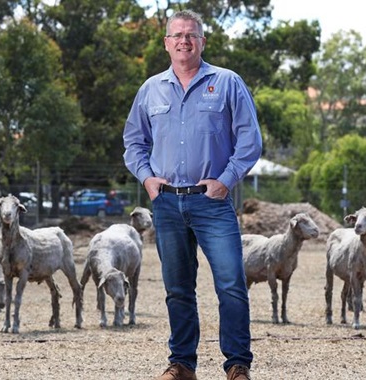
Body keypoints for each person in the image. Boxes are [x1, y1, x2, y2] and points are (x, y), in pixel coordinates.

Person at [122, 9, 262, 380]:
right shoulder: (150, 89)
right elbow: (133, 142)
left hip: (212, 202)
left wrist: (226, 179)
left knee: (231, 284)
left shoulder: (228, 82)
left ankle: (237, 366)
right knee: (177, 289)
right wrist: (147, 179)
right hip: (166, 203)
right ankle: (182, 363)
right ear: (166, 43)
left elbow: (250, 140)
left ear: (203, 42)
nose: (184, 40)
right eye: (177, 35)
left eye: (191, 35)